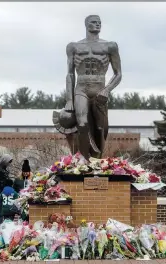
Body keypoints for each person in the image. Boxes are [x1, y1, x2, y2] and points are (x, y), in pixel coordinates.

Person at [53, 15, 122, 160]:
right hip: (81, 88)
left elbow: (118, 74)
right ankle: (83, 161)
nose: (97, 25)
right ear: (86, 25)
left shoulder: (110, 46)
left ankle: (97, 160)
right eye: (93, 22)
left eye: (99, 23)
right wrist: (69, 99)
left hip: (99, 89)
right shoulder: (74, 47)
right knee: (82, 123)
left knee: (101, 129)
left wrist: (107, 90)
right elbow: (70, 74)